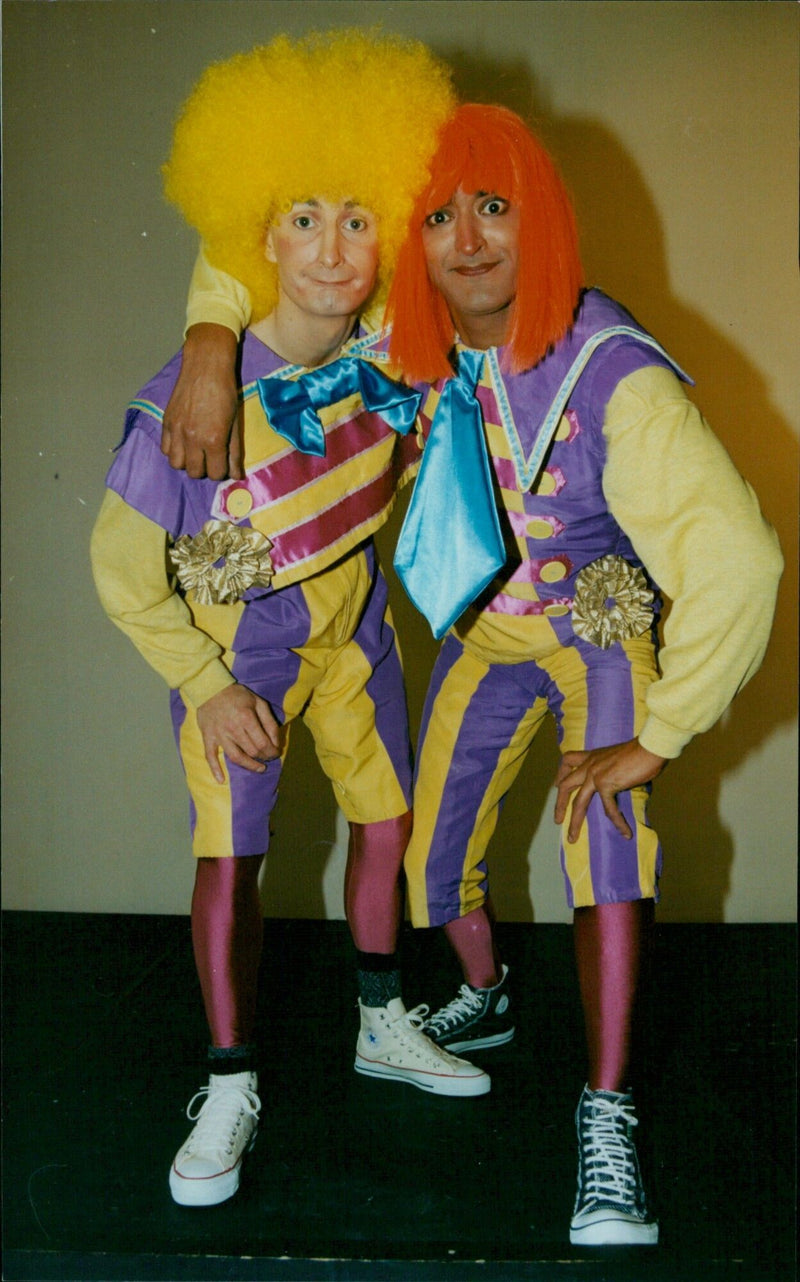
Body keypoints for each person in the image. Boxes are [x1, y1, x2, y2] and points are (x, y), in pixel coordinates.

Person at [158, 103, 783, 1244]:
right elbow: (268, 227)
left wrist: (662, 731)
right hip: (479, 630)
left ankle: (607, 1118)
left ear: (535, 216)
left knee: (604, 835)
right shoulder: (410, 337)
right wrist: (209, 332)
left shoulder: (610, 367)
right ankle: (486, 997)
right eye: (438, 215)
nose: (467, 238)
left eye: (492, 206)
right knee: (427, 861)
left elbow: (739, 557)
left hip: (594, 626)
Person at [90, 33, 490, 1213]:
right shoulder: (187, 397)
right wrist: (204, 683)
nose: (329, 248)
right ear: (253, 233)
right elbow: (118, 568)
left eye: (357, 218)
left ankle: (379, 1019)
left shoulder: (393, 354)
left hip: (354, 629)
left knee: (388, 819)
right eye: (300, 218)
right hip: (237, 652)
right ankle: (226, 1081)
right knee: (234, 854)